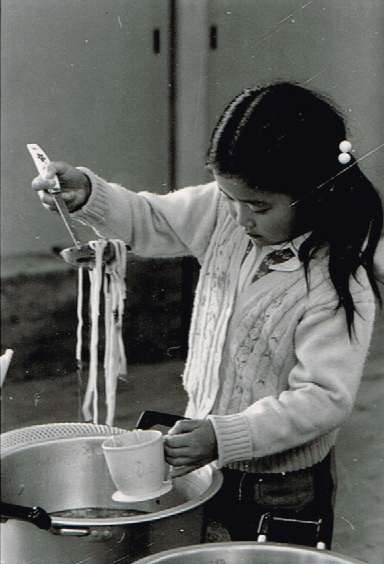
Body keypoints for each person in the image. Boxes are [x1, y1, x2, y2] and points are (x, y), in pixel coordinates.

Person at [32, 82, 383, 548]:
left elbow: (322, 396)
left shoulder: (337, 276)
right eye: (229, 197)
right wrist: (89, 194)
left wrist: (224, 435)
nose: (240, 218)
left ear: (316, 191)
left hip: (284, 486)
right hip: (208, 458)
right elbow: (148, 217)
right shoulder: (222, 212)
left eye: (258, 206)